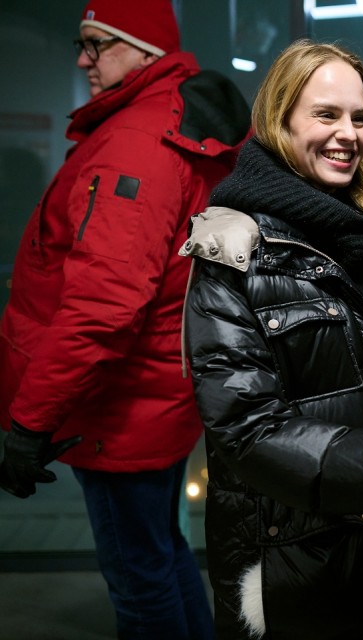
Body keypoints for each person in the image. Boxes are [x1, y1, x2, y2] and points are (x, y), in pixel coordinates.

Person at [180, 39, 363, 639]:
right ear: (280, 120)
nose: (349, 134)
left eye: (359, 117)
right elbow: (248, 431)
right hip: (309, 565)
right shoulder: (234, 254)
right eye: (326, 114)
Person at [0, 1, 250, 637]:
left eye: (98, 43)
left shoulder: (136, 143)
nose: (84, 60)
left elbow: (103, 306)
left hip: (122, 405)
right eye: (82, 44)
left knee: (139, 577)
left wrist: (31, 419)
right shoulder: (168, 119)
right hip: (159, 387)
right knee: (159, 553)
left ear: (145, 50)